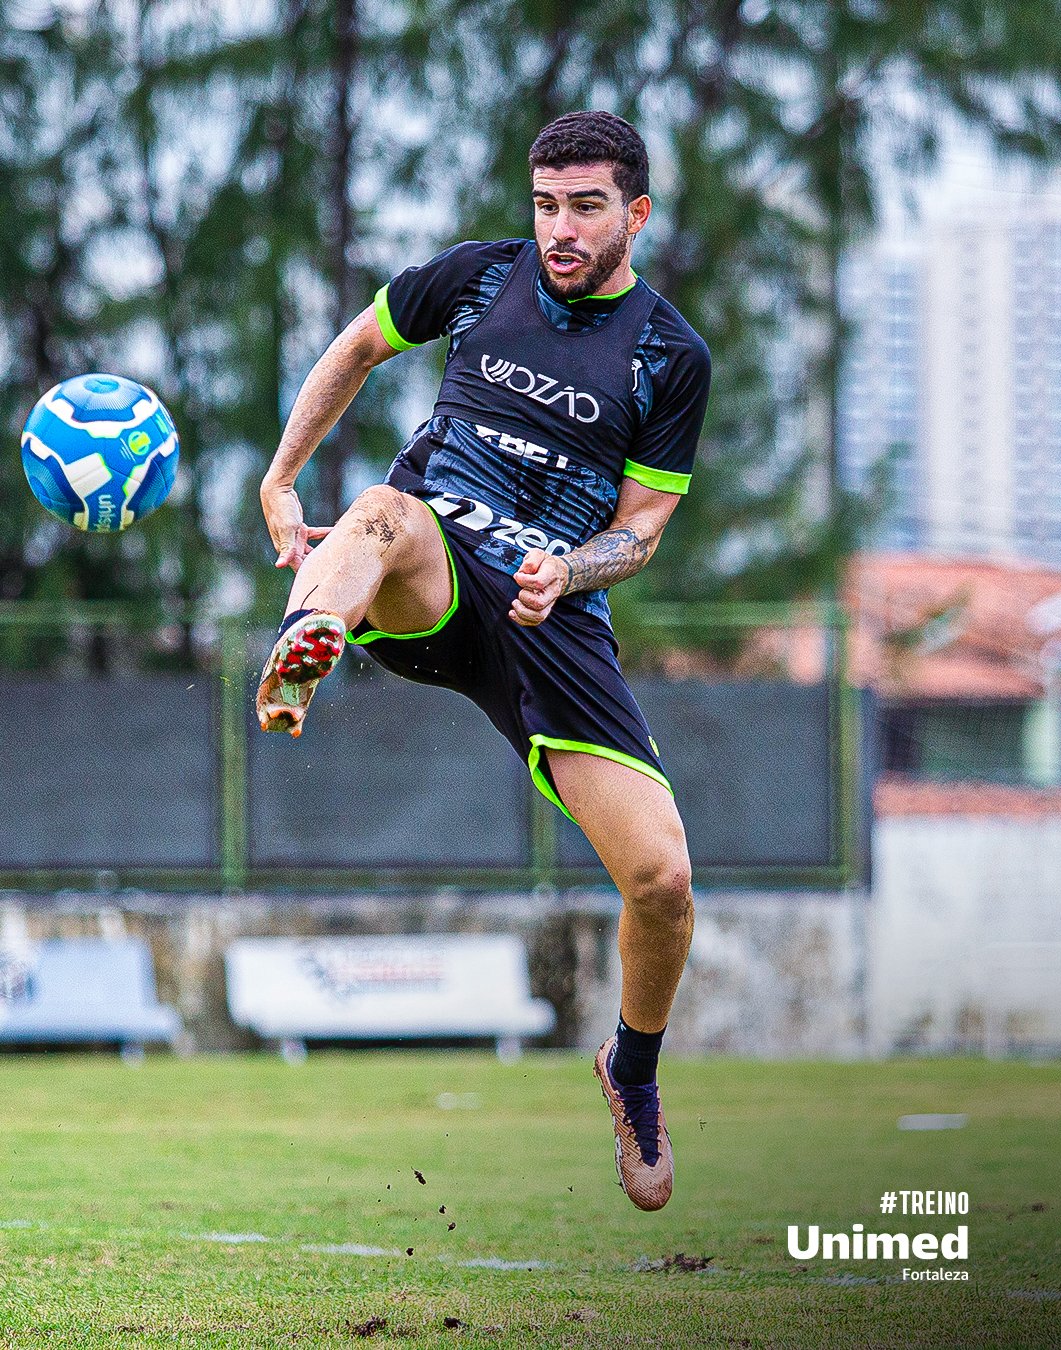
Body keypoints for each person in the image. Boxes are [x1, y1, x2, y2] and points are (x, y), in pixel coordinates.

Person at [256, 110, 711, 1212]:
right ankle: (301, 644)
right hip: (429, 568)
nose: (560, 227)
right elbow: (358, 348)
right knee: (379, 510)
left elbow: (642, 527)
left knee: (662, 883)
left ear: (635, 213)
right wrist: (279, 479)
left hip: (550, 614)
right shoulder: (476, 279)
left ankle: (631, 1072)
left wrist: (576, 568)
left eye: (586, 206)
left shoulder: (668, 356)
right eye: (547, 203)